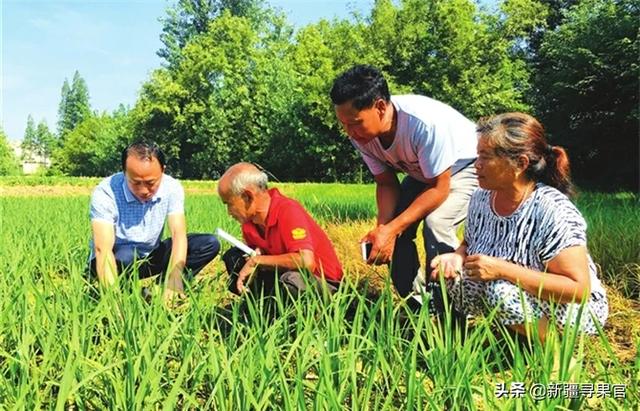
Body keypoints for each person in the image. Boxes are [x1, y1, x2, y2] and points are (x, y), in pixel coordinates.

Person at [430, 113, 608, 339]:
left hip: (573, 308)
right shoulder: (480, 198)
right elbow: (470, 243)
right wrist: (456, 256)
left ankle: (555, 353)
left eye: (485, 157)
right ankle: (515, 333)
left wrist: (502, 270)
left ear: (521, 163)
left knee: (501, 292)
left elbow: (578, 290)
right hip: (523, 294)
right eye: (477, 156)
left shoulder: (552, 210)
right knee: (454, 279)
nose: (476, 165)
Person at [330, 64, 478, 310]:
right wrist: (383, 231)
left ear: (379, 107)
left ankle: (451, 308)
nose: (350, 133)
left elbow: (439, 188)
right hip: (423, 172)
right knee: (391, 235)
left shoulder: (423, 124)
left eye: (355, 123)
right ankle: (418, 305)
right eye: (343, 124)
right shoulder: (361, 135)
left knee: (437, 223)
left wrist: (391, 228)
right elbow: (386, 183)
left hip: (465, 166)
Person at [89, 141, 220, 301]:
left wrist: (174, 278)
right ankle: (121, 293)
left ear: (162, 171)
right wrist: (112, 301)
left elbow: (178, 234)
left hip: (149, 254)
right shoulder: (106, 192)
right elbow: (102, 249)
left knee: (208, 243)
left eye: (151, 183)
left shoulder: (172, 187)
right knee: (127, 255)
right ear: (124, 172)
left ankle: (158, 290)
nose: (144, 190)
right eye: (135, 183)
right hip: (116, 258)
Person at [218, 163, 343, 297]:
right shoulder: (249, 222)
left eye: (229, 204)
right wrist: (257, 253)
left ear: (248, 196)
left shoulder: (288, 210)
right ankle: (259, 309)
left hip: (322, 283)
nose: (229, 212)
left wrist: (257, 260)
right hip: (282, 274)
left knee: (291, 281)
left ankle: (304, 314)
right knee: (235, 257)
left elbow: (306, 261)